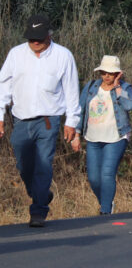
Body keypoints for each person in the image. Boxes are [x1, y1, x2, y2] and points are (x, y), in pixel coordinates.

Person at [0, 14, 80, 227]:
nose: (35, 42)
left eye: (39, 37)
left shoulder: (63, 56)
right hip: (20, 120)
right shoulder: (16, 54)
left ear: (49, 34)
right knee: (23, 165)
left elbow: (72, 90)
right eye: (31, 38)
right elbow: (3, 86)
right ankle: (41, 194)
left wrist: (72, 121)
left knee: (44, 163)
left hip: (48, 120)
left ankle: (38, 211)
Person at [74, 56, 132, 215]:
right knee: (94, 177)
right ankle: (106, 202)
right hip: (93, 138)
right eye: (104, 72)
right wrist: (76, 134)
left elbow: (130, 106)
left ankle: (105, 211)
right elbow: (81, 111)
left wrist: (118, 89)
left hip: (116, 137)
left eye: (111, 73)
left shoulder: (125, 87)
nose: (107, 76)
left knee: (107, 173)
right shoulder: (90, 87)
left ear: (118, 74)